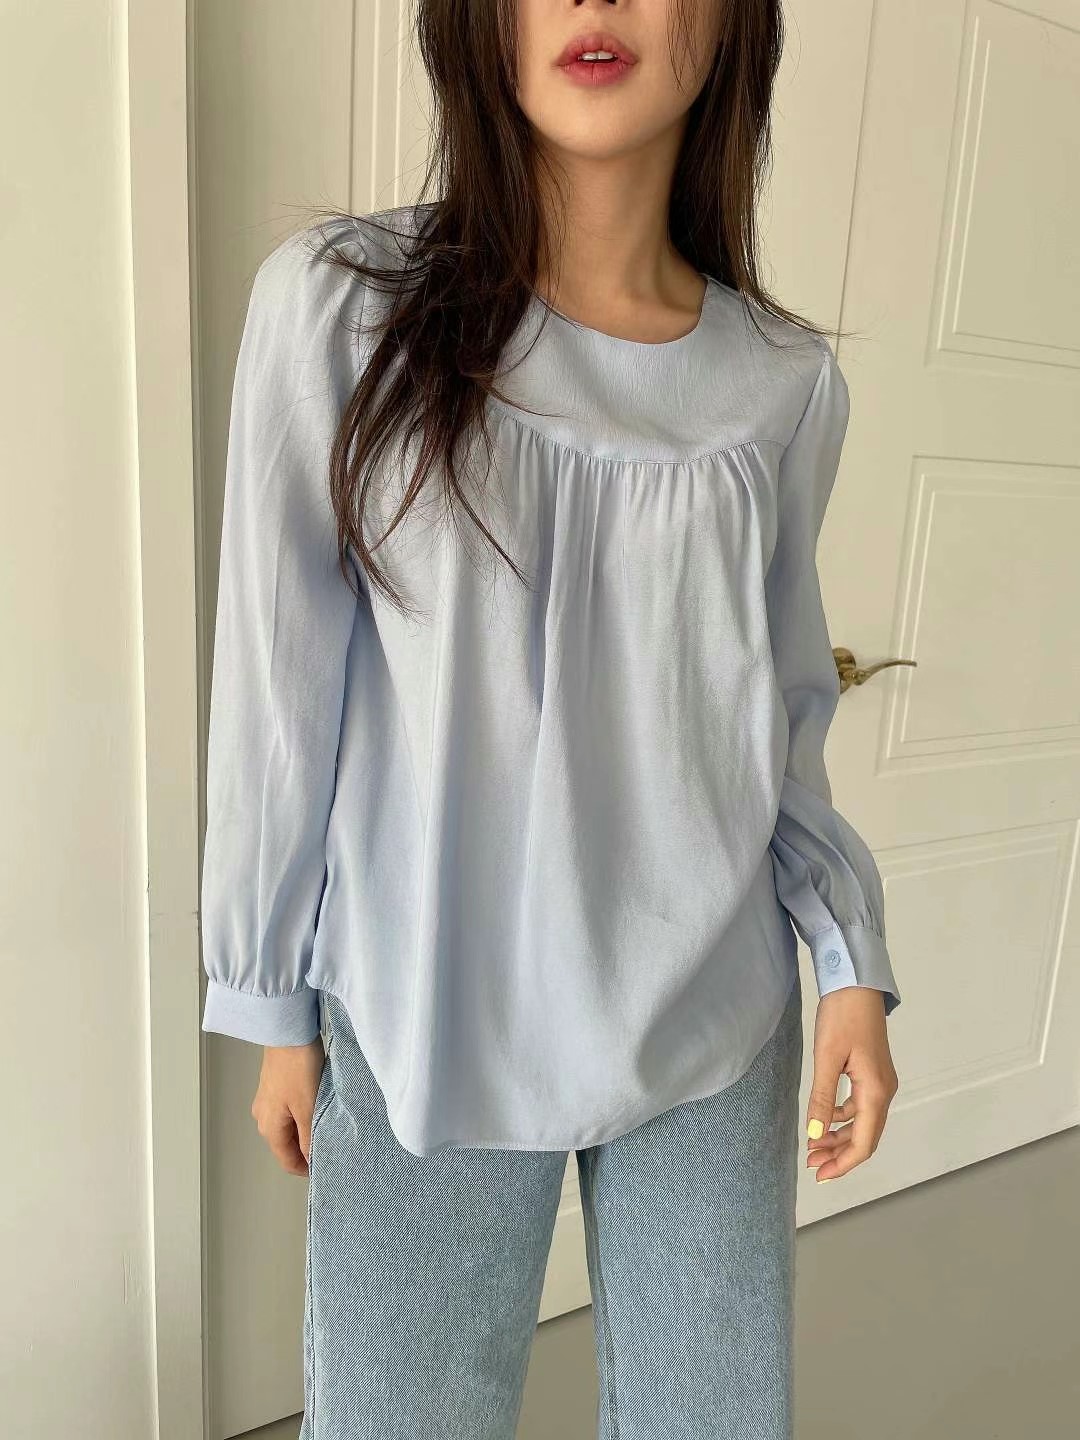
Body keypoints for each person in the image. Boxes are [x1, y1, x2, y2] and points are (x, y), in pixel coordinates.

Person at [200, 1, 902, 1435]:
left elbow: (774, 714)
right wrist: (273, 998)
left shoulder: (784, 385)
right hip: (425, 1003)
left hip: (715, 1018)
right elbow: (280, 689)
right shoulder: (341, 311)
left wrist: (849, 960)